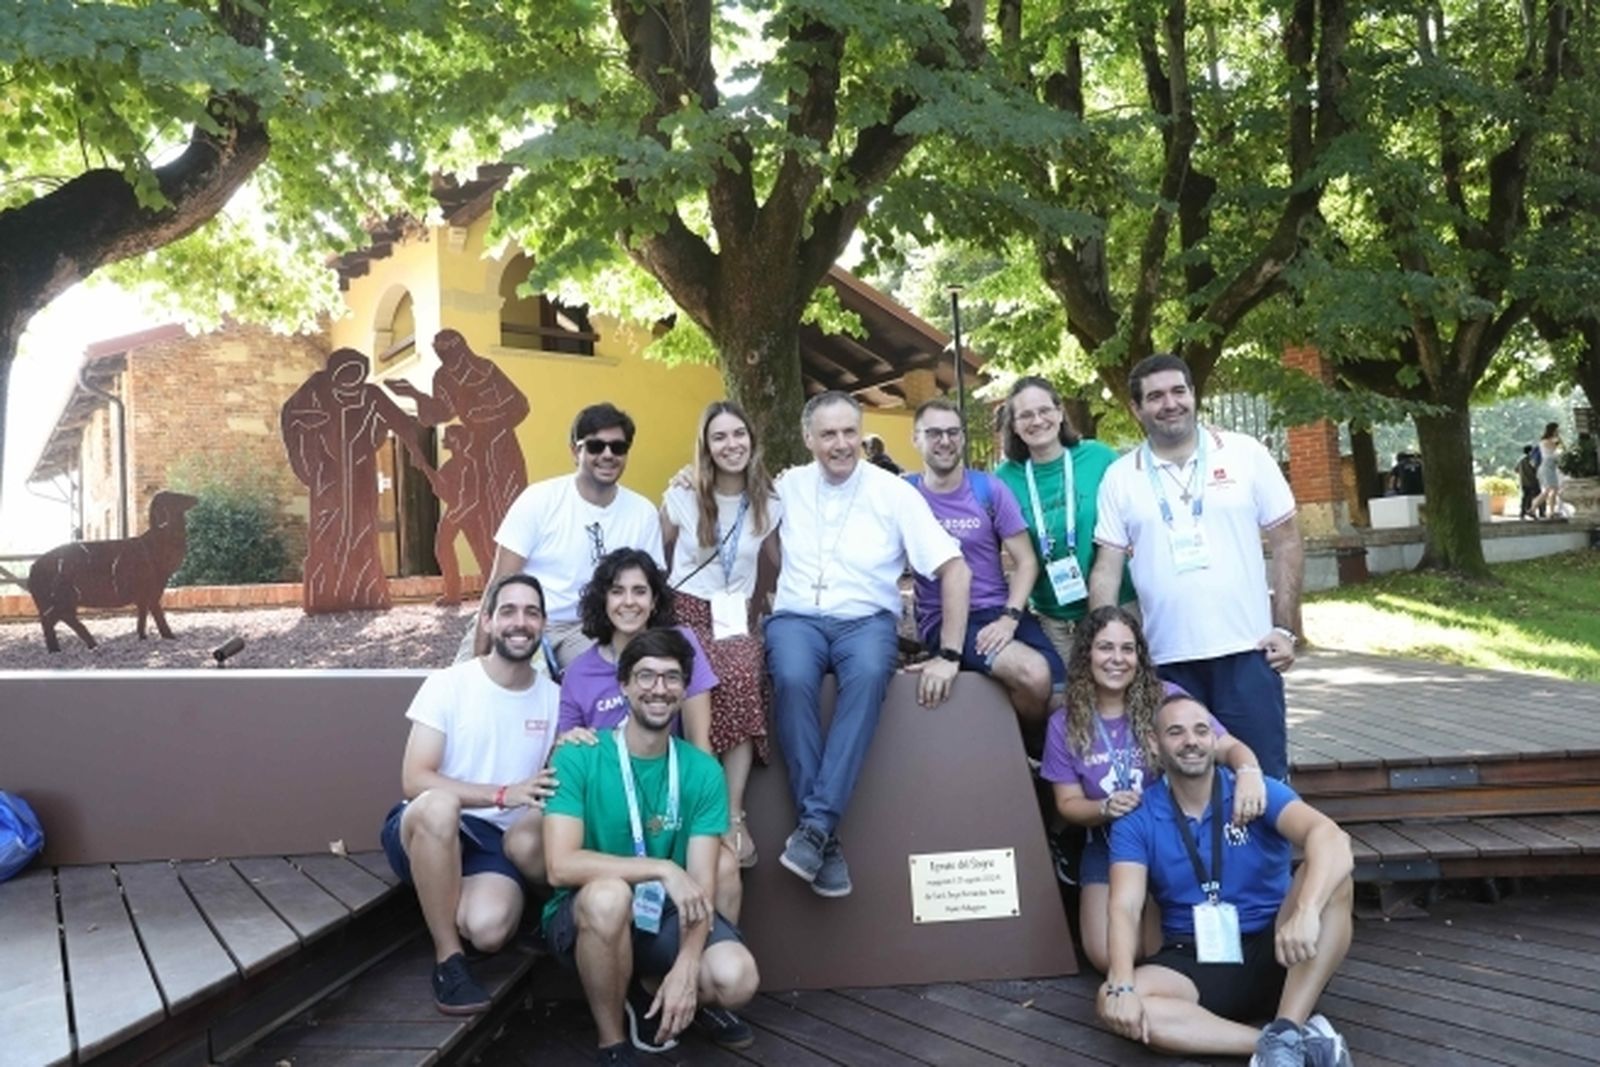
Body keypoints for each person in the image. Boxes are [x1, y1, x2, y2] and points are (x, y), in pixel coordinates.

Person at [767, 391, 970, 898]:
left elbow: (955, 568)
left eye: (849, 433)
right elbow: (751, 529)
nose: (841, 444)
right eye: (829, 434)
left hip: (865, 622)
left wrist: (949, 653)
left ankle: (815, 829)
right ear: (808, 438)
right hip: (797, 618)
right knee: (790, 678)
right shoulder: (787, 486)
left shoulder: (895, 492)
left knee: (869, 675)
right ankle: (822, 836)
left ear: (862, 434)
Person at [1099, 694, 1355, 1066]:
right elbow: (1124, 905)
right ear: (1154, 743)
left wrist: (1306, 911)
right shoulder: (1137, 818)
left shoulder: (1253, 791)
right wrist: (1121, 984)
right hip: (1196, 955)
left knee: (1336, 879)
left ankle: (1288, 1025)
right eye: (1176, 732)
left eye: (1201, 730)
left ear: (1214, 740)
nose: (1191, 741)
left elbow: (1332, 837)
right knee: (1116, 1001)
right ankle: (1289, 1043)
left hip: (1280, 948)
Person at [543, 627, 760, 1064]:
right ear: (623, 685)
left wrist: (686, 965)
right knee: (608, 895)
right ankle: (613, 1043)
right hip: (587, 917)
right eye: (645, 677)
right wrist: (662, 869)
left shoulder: (700, 770)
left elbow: (700, 884)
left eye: (672, 677)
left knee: (736, 979)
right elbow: (560, 867)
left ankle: (655, 991)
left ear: (685, 688)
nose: (658, 689)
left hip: (662, 916)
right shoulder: (578, 756)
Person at [1089, 354, 1304, 781]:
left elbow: (1288, 539)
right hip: (1165, 660)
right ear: (1137, 408)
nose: (1169, 403)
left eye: (1178, 391)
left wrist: (1285, 627)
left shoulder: (1245, 453)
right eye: (1155, 396)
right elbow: (1106, 570)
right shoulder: (1120, 477)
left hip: (1248, 651)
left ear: (1193, 395)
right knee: (1180, 784)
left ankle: (1270, 852)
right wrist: (1105, 649)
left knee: (1261, 776)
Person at [1042, 606, 1266, 973]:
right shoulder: (1064, 722)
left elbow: (1227, 746)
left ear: (1140, 656)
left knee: (1160, 945)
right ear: (1086, 654)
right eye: (1105, 648)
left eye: (1127, 649)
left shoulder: (1167, 697)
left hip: (1172, 836)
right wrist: (1104, 808)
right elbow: (1067, 804)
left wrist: (1250, 770)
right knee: (1106, 954)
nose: (1117, 659)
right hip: (1110, 839)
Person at [379, 574, 561, 1013]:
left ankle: (448, 897)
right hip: (428, 823)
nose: (521, 622)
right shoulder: (450, 684)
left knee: (490, 929)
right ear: (487, 621)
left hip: (493, 844)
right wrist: (502, 794)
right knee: (441, 806)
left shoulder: (555, 699)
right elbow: (415, 779)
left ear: (543, 625)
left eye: (532, 612)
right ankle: (448, 960)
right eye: (509, 611)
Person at [556, 549, 744, 935]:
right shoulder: (579, 672)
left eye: (640, 591)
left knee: (725, 867)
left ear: (654, 599)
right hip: (607, 810)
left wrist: (720, 821)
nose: (629, 602)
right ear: (602, 599)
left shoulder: (679, 646)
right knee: (526, 843)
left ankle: (706, 961)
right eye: (617, 591)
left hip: (670, 803)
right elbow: (564, 749)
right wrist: (567, 740)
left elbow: (699, 741)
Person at [660, 401, 782, 866]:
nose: (731, 445)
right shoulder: (683, 496)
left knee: (744, 673)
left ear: (751, 439)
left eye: (738, 435)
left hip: (735, 617)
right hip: (687, 610)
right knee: (699, 684)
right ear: (706, 447)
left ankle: (732, 815)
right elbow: (656, 553)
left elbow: (779, 564)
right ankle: (705, 809)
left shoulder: (770, 502)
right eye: (720, 437)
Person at [906, 397, 1063, 750]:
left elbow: (1026, 561)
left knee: (1061, 697)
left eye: (952, 432)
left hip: (998, 611)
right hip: (945, 619)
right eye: (933, 433)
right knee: (1033, 675)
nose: (945, 441)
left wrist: (1010, 617)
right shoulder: (903, 494)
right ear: (915, 439)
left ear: (962, 438)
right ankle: (1025, 754)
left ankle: (1039, 766)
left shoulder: (988, 489)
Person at [479, 403, 664, 666]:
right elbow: (499, 582)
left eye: (618, 447)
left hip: (588, 628)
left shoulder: (642, 512)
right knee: (466, 680)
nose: (608, 454)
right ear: (576, 451)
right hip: (526, 616)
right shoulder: (539, 499)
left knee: (601, 682)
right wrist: (478, 659)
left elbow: (651, 589)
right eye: (596, 446)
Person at [994, 376, 1133, 666]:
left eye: (1044, 410)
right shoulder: (1004, 479)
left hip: (1118, 603)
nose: (1037, 420)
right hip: (1054, 617)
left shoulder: (1099, 457)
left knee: (1128, 693)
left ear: (1059, 413)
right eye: (1025, 415)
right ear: (1014, 426)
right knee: (1076, 700)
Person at [281, 348, 427, 613]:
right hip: (329, 475)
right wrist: (307, 433)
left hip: (361, 473)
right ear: (334, 373)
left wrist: (416, 452)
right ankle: (324, 595)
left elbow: (402, 423)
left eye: (356, 374)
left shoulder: (371, 395)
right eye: (345, 373)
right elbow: (291, 416)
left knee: (362, 530)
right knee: (327, 530)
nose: (351, 381)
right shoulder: (316, 389)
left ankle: (366, 593)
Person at [1535, 421, 1565, 520]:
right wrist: (1558, 440)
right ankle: (1536, 508)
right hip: (1547, 466)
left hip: (1551, 467)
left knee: (1551, 490)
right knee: (1551, 490)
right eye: (1557, 430)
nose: (1558, 431)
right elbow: (1554, 449)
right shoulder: (1546, 441)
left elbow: (1561, 448)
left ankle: (1549, 511)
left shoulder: (1551, 440)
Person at [1517, 444, 1543, 520]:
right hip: (1533, 481)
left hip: (1524, 482)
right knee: (1538, 497)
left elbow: (1516, 470)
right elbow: (1536, 469)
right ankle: (1540, 512)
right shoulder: (1532, 460)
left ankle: (1522, 513)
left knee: (1525, 498)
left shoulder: (1521, 461)